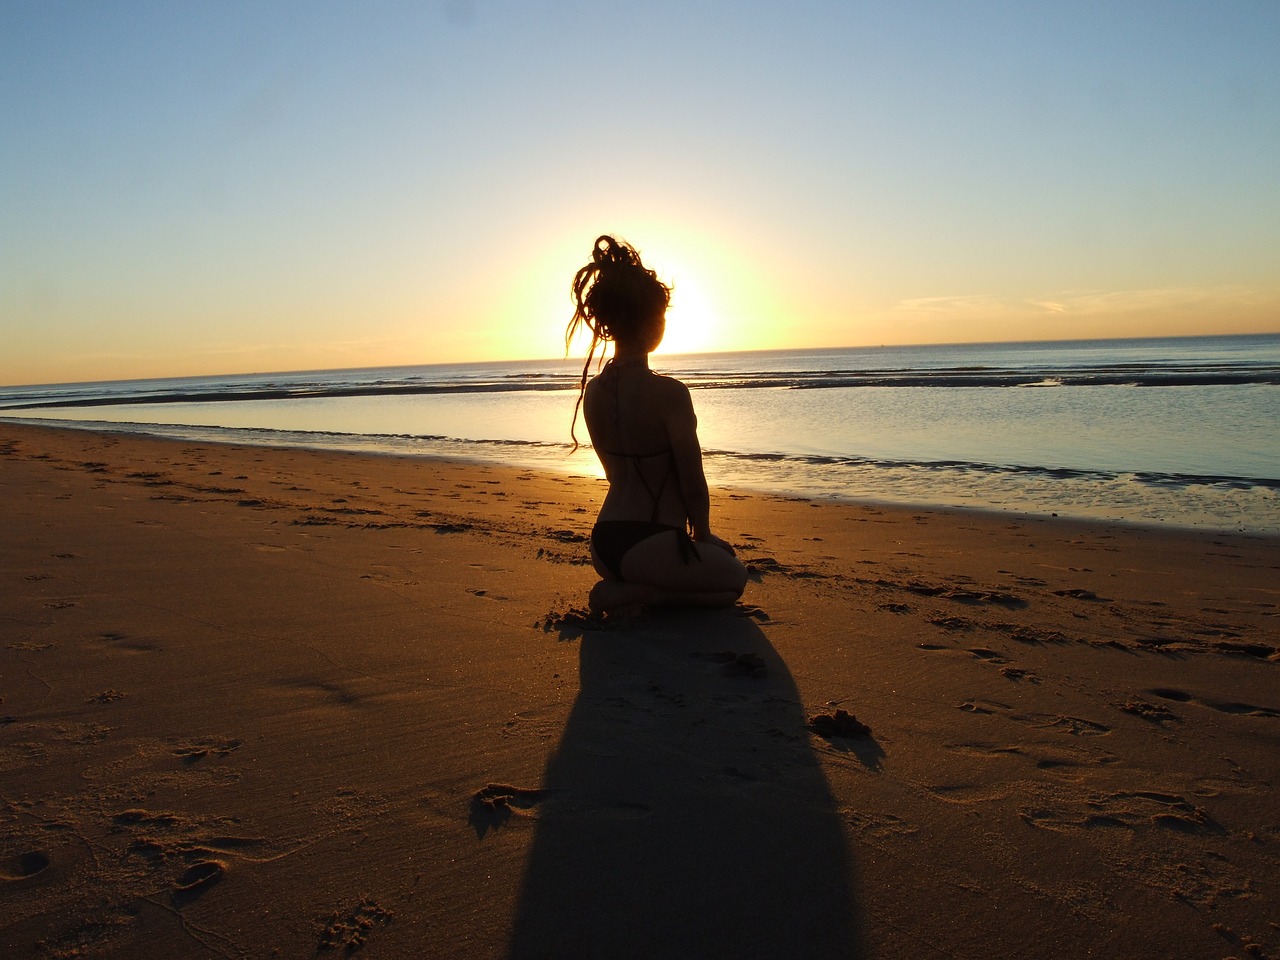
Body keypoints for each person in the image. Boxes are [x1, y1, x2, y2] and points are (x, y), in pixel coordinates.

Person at [566, 235, 749, 612]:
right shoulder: (670, 393)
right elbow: (691, 481)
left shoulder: (595, 393)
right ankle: (645, 594)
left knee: (715, 578)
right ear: (653, 324)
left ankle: (630, 584)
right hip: (653, 541)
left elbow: (617, 475)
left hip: (603, 544)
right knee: (733, 580)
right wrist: (703, 534)